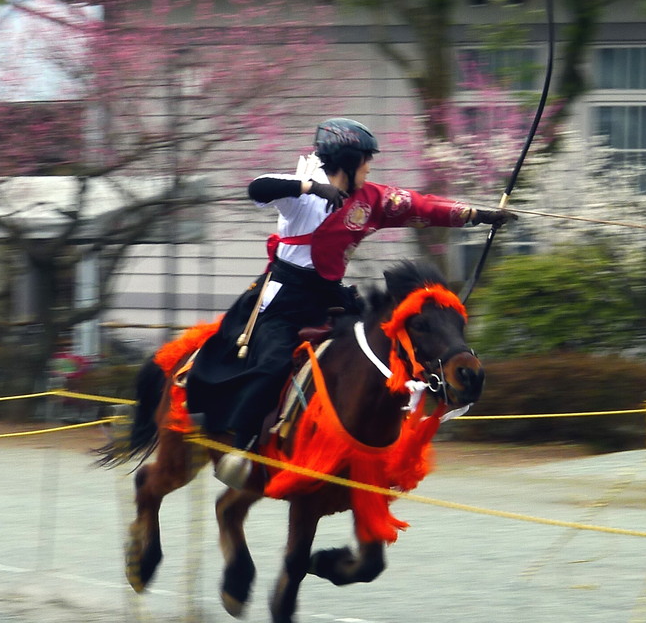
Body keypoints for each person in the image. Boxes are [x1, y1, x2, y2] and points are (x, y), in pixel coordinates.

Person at [184, 117, 512, 488]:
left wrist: (479, 216)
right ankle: (241, 449)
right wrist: (310, 187)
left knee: (384, 351)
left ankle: (384, 438)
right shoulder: (302, 195)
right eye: (365, 161)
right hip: (284, 298)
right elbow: (257, 187)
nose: (370, 168)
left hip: (331, 296)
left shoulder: (372, 199)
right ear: (348, 160)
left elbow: (421, 206)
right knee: (273, 362)